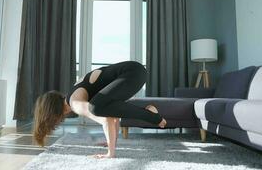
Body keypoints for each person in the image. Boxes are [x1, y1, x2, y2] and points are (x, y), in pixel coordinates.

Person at [33, 61, 167, 158]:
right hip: (136, 72)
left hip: (132, 73)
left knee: (96, 108)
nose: (57, 121)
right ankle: (151, 114)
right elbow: (112, 116)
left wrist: (110, 153)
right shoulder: (73, 95)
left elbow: (105, 119)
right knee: (101, 106)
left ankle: (150, 115)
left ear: (53, 113)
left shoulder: (75, 103)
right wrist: (111, 141)